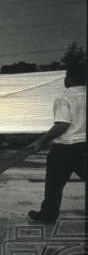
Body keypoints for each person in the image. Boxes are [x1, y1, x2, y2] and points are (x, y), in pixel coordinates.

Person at [28, 60, 86, 223]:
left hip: (66, 148)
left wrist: (41, 141)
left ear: (71, 78)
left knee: (54, 184)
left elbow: (62, 124)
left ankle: (48, 214)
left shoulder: (64, 97)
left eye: (67, 76)